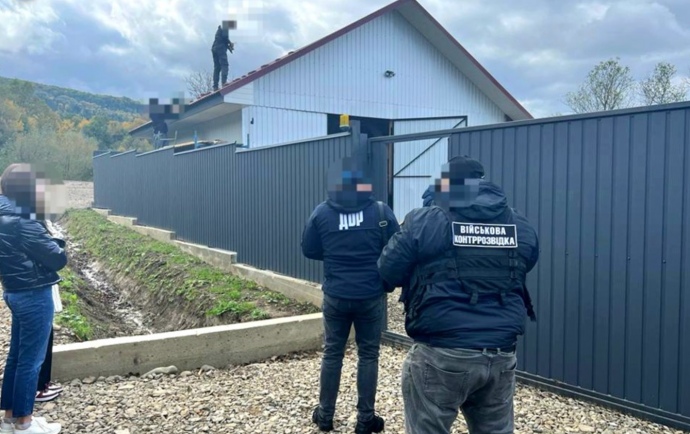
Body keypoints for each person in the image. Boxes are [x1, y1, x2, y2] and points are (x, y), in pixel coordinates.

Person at [377, 156, 540, 434]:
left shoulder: (425, 220)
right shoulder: (519, 224)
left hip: (442, 351)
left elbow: (387, 271)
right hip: (501, 352)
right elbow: (526, 262)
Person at [301, 156, 400, 433]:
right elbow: (397, 247)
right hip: (370, 294)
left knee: (332, 353)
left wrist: (336, 253)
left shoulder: (322, 212)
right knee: (368, 354)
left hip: (336, 293)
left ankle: (325, 416)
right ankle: (365, 419)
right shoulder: (380, 212)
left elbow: (309, 249)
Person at [0, 163, 67, 434]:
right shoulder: (24, 217)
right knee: (31, 360)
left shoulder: (3, 211)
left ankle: (9, 418)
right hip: (34, 293)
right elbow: (56, 258)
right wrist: (59, 240)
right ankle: (25, 424)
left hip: (13, 290)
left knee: (17, 357)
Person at [211, 20, 235, 91]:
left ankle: (215, 86)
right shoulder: (225, 27)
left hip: (214, 48)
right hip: (220, 49)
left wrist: (229, 47)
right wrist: (230, 43)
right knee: (224, 65)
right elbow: (225, 38)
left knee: (217, 67)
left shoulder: (219, 30)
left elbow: (223, 40)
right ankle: (224, 83)